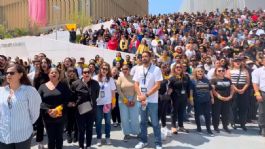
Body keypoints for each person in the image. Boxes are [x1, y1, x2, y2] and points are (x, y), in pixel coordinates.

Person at [0, 64, 41, 149]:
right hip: (4, 135)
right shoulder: (2, 91)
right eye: (6, 73)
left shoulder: (29, 91)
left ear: (20, 74)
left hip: (22, 135)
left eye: (11, 73)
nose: (8, 75)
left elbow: (35, 113)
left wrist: (24, 123)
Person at [133, 51, 163, 149]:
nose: (144, 58)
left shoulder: (156, 69)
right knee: (143, 122)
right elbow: (136, 84)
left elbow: (157, 85)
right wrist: (140, 96)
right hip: (141, 100)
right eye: (143, 56)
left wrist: (145, 95)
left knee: (154, 122)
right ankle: (143, 141)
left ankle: (158, 143)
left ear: (150, 57)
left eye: (146, 56)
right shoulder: (138, 69)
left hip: (152, 101)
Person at [38, 67, 71, 149]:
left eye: (56, 72)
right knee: (51, 138)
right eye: (52, 72)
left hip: (61, 116)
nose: (54, 74)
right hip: (47, 117)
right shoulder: (42, 86)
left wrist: (58, 109)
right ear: (48, 75)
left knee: (59, 138)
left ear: (59, 74)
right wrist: (48, 110)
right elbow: (38, 101)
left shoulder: (63, 86)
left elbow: (67, 100)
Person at [71, 68, 100, 149]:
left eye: (89, 72)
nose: (87, 73)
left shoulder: (95, 83)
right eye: (85, 72)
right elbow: (72, 96)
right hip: (80, 110)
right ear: (82, 73)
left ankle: (88, 145)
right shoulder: (75, 83)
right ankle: (81, 146)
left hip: (91, 110)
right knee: (81, 129)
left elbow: (96, 95)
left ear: (91, 73)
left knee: (89, 129)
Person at [93, 62, 116, 146]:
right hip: (98, 104)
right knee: (98, 121)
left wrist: (113, 102)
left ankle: (107, 137)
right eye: (103, 68)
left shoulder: (110, 79)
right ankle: (99, 138)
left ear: (108, 70)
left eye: (106, 69)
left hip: (107, 103)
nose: (104, 70)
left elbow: (113, 92)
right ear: (100, 69)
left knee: (107, 121)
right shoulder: (95, 78)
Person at [116, 64, 140, 142]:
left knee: (134, 117)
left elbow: (137, 89)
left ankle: (136, 132)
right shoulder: (119, 78)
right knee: (124, 117)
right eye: (123, 69)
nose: (125, 70)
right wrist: (126, 100)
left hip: (133, 99)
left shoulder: (134, 78)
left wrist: (133, 100)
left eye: (126, 69)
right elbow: (119, 90)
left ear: (129, 69)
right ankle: (126, 134)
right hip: (123, 100)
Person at [226, 57, 250, 131]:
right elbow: (229, 81)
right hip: (233, 89)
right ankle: (233, 122)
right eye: (236, 61)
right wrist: (235, 89)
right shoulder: (229, 71)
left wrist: (243, 89)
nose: (238, 62)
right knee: (233, 107)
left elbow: (247, 82)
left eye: (239, 61)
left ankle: (243, 123)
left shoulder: (245, 71)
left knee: (243, 107)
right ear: (233, 62)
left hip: (244, 90)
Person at [168, 63, 191, 134]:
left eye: (180, 67)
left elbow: (188, 88)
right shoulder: (172, 78)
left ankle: (181, 126)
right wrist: (169, 97)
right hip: (175, 98)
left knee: (181, 112)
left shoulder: (186, 77)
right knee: (174, 112)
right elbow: (169, 88)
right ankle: (173, 126)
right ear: (174, 69)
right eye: (177, 67)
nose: (179, 68)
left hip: (184, 98)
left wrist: (189, 98)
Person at [190, 67, 214, 135]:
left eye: (201, 71)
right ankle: (199, 128)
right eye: (198, 71)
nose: (200, 72)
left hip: (207, 100)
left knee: (207, 115)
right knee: (197, 114)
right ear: (196, 73)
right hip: (197, 100)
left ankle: (208, 129)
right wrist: (191, 99)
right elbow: (191, 91)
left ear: (203, 72)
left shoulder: (206, 80)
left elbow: (210, 89)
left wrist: (212, 98)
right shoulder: (192, 81)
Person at [211, 66, 234, 133]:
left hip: (227, 99)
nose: (221, 72)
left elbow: (232, 88)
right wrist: (219, 96)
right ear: (216, 72)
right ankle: (216, 127)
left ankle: (225, 126)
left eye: (223, 70)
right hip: (217, 99)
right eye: (219, 70)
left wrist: (230, 96)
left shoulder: (228, 79)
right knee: (216, 114)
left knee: (225, 113)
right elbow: (213, 90)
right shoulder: (213, 80)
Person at [62, 67, 79, 143]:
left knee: (76, 121)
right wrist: (67, 103)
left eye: (73, 71)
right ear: (67, 72)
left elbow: (80, 94)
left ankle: (76, 134)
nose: (71, 73)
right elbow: (61, 94)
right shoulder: (63, 82)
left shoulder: (78, 81)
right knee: (68, 121)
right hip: (67, 104)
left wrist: (76, 102)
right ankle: (69, 134)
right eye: (69, 71)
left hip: (76, 104)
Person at [252, 57, 265, 137]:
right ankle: (262, 128)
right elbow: (255, 83)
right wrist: (257, 93)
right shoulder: (257, 71)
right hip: (263, 93)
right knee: (262, 112)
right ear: (263, 62)